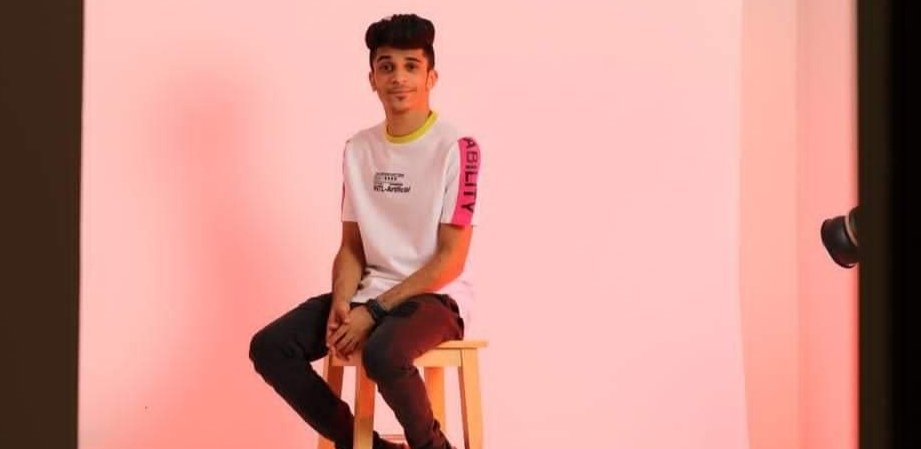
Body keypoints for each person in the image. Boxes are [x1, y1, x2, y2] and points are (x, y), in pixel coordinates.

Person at [249, 13, 481, 449]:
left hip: (434, 298)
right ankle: (367, 447)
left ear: (431, 77)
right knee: (270, 346)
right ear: (372, 79)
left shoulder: (457, 147)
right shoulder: (359, 149)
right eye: (386, 66)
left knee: (383, 354)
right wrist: (341, 302)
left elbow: (451, 259)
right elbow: (352, 247)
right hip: (368, 293)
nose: (399, 78)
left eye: (411, 66)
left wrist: (372, 311)